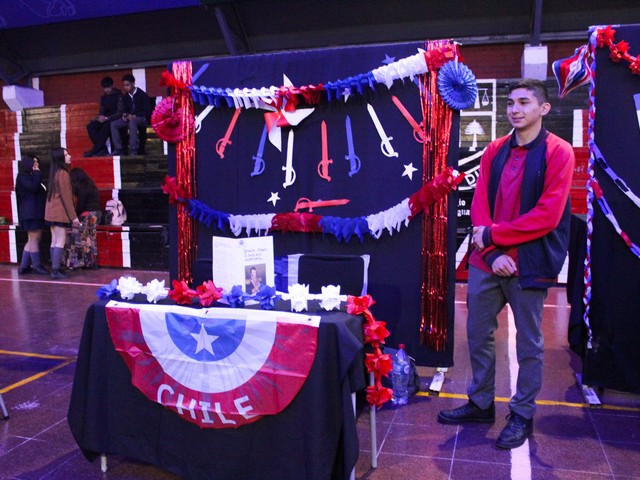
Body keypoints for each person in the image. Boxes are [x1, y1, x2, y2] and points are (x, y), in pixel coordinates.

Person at [437, 79, 575, 449]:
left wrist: (495, 237)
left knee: (529, 344)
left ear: (543, 109)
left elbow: (547, 216)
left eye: (524, 102)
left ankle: (522, 414)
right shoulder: (495, 150)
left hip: (529, 263)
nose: (515, 109)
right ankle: (481, 403)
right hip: (488, 261)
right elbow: (479, 204)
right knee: (478, 334)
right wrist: (492, 252)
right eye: (511, 103)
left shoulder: (559, 152)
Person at [45, 148, 80, 279]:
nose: (69, 156)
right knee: (60, 241)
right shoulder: (63, 174)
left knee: (54, 241)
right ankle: (55, 270)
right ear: (60, 158)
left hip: (51, 212)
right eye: (66, 155)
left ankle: (54, 268)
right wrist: (74, 217)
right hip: (60, 213)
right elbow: (67, 198)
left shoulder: (54, 173)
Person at [15, 153, 49, 275]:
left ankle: (24, 266)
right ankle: (36, 265)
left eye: (37, 161)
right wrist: (37, 173)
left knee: (32, 239)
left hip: (35, 212)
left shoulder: (31, 176)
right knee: (34, 238)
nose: (36, 164)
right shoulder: (24, 176)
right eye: (33, 162)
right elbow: (33, 188)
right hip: (30, 213)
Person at [110, 73, 152, 156]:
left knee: (132, 122)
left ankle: (133, 149)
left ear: (133, 83)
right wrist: (124, 115)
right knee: (114, 124)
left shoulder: (142, 95)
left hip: (141, 118)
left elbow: (147, 111)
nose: (126, 87)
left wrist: (135, 116)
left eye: (127, 85)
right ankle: (118, 149)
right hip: (130, 118)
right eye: (124, 85)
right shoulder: (125, 97)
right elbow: (125, 109)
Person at [68, 168, 102, 269]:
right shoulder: (90, 184)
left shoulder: (82, 187)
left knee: (79, 236)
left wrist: (74, 216)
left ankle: (75, 262)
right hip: (97, 214)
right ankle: (92, 263)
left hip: (88, 215)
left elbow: (81, 206)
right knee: (91, 238)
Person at [84, 76, 122, 157]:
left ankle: (96, 149)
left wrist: (107, 118)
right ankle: (102, 149)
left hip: (114, 118)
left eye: (108, 87)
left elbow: (120, 112)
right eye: (105, 88)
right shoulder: (104, 98)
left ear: (112, 86)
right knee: (90, 126)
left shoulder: (119, 96)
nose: (107, 90)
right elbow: (102, 111)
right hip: (106, 118)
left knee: (106, 126)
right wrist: (99, 118)